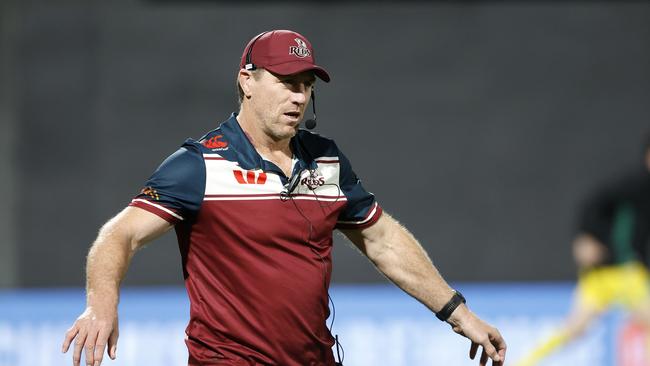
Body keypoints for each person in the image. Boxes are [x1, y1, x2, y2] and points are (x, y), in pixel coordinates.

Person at [61, 29, 506, 366]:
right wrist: (101, 307)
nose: (297, 96)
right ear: (247, 81)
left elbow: (383, 240)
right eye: (285, 81)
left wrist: (458, 313)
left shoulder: (325, 160)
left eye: (305, 84)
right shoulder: (200, 164)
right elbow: (119, 236)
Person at [515, 136, 650, 366]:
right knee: (575, 328)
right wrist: (588, 238)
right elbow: (591, 206)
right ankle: (524, 363)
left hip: (626, 272)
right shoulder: (633, 184)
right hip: (614, 271)